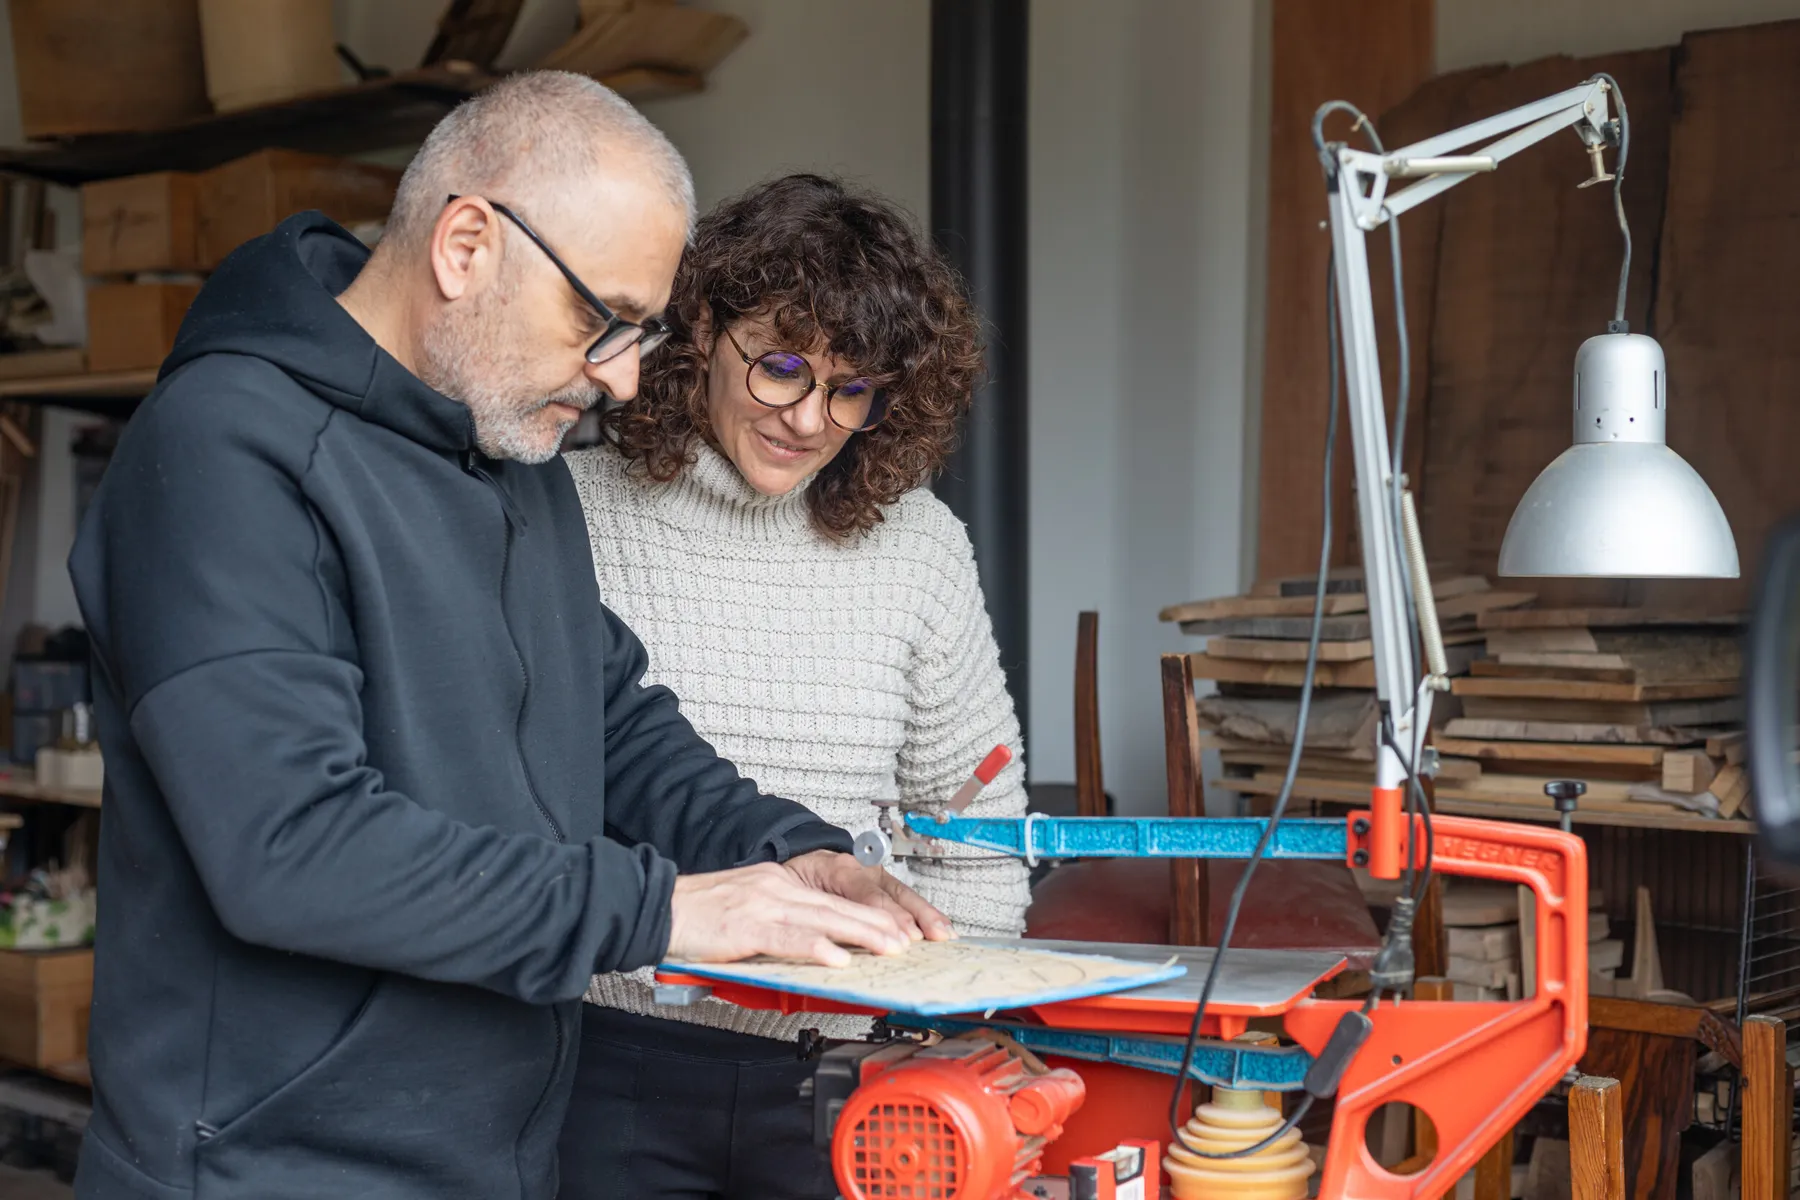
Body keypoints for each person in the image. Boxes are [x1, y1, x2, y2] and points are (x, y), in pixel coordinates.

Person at [66, 75, 950, 1200]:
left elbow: (611, 715)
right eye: (602, 320)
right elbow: (291, 850)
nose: (625, 378)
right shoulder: (221, 451)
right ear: (468, 244)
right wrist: (665, 909)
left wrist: (785, 852)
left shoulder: (505, 451)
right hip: (266, 1171)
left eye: (643, 332)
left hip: (493, 1161)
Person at [558, 173, 1032, 1199]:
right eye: (780, 368)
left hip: (855, 1073)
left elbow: (978, 827)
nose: (811, 418)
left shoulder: (921, 549)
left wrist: (942, 1030)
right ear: (699, 330)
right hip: (603, 1061)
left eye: (852, 389)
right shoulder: (566, 515)